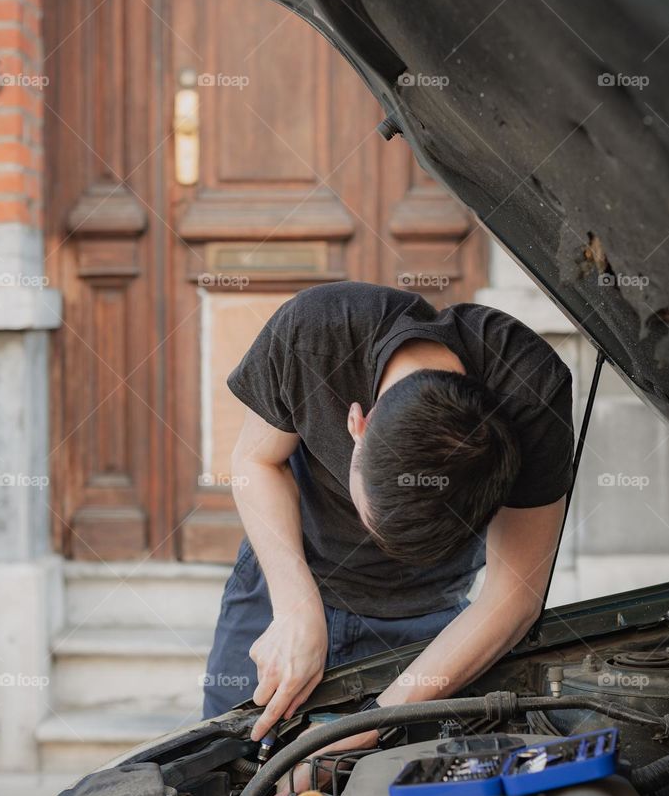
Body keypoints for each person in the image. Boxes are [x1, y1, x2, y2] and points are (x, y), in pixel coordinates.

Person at [201, 280, 573, 766]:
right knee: (226, 777)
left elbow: (514, 594)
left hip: (434, 630)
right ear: (359, 422)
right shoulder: (316, 332)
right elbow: (254, 463)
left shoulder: (532, 390)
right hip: (284, 583)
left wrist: (375, 723)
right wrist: (295, 608)